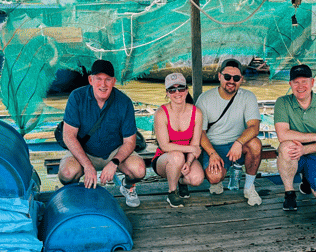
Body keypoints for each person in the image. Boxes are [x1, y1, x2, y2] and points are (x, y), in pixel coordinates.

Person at [58, 59, 146, 207]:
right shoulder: (76, 97)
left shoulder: (124, 102)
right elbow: (68, 135)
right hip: (84, 151)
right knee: (67, 173)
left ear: (114, 81)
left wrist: (114, 163)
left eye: (107, 80)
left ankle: (128, 186)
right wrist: (87, 165)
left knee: (139, 169)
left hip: (114, 151)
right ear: (91, 80)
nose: (103, 84)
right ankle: (74, 194)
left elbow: (130, 142)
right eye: (98, 79)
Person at [196, 59, 263, 206]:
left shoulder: (248, 96)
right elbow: (200, 132)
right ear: (219, 76)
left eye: (236, 78)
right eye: (227, 77)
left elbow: (254, 127)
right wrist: (212, 153)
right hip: (215, 146)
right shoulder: (205, 98)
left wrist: (238, 143)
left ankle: (249, 187)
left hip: (238, 144)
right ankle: (218, 180)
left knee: (255, 144)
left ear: (241, 80)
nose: (231, 81)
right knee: (214, 177)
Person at [274, 63, 316, 212]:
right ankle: (289, 193)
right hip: (294, 154)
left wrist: (305, 149)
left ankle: (307, 181)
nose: (300, 86)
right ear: (290, 84)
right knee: (285, 147)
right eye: (296, 82)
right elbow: (282, 134)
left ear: (312, 82)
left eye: (304, 81)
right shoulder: (282, 102)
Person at [151, 73, 205, 207]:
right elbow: (164, 146)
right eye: (172, 90)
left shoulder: (196, 113)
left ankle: (181, 182)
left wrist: (189, 161)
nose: (177, 93)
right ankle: (172, 192)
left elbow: (195, 143)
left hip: (187, 156)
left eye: (180, 88)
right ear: (167, 93)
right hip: (164, 159)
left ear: (186, 90)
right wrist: (191, 149)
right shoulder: (161, 113)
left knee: (197, 179)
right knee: (176, 156)